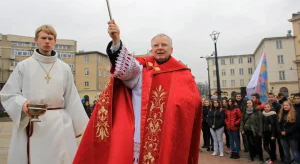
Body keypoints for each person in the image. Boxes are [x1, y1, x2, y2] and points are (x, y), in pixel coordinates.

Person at [73, 20, 202, 164]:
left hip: (169, 132)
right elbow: (125, 69)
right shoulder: (141, 68)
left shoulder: (183, 74)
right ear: (151, 49)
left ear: (171, 50)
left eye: (164, 45)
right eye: (156, 45)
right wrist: (116, 42)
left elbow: (192, 104)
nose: (160, 48)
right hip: (139, 131)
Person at [0, 25, 89, 164]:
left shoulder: (64, 68)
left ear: (55, 41)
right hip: (32, 122)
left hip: (59, 126)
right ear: (36, 40)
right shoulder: (23, 66)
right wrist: (22, 104)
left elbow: (72, 98)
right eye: (43, 38)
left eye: (50, 38)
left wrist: (82, 127)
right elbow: (9, 93)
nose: (47, 41)